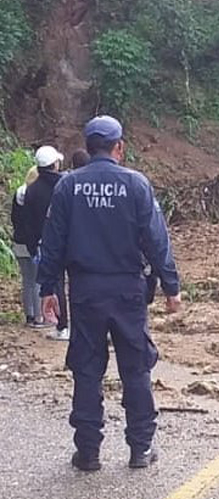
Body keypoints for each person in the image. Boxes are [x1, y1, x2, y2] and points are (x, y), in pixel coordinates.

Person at [37, 115, 181, 472]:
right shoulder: (135, 184)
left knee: (86, 369)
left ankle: (88, 452)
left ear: (88, 147)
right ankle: (141, 448)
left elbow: (52, 242)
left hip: (85, 291)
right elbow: (156, 239)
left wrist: (47, 287)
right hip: (127, 291)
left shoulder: (68, 187)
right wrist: (171, 286)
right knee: (135, 369)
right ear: (119, 147)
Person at [23, 146, 70, 341]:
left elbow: (29, 223)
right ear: (54, 164)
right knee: (78, 282)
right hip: (71, 241)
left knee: (55, 284)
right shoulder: (66, 183)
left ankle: (62, 325)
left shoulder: (31, 191)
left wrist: (33, 247)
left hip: (46, 245)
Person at [11, 166, 43, 328]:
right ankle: (38, 316)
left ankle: (29, 315)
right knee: (37, 280)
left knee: (27, 281)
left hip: (19, 242)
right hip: (33, 243)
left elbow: (14, 218)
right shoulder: (36, 195)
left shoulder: (18, 193)